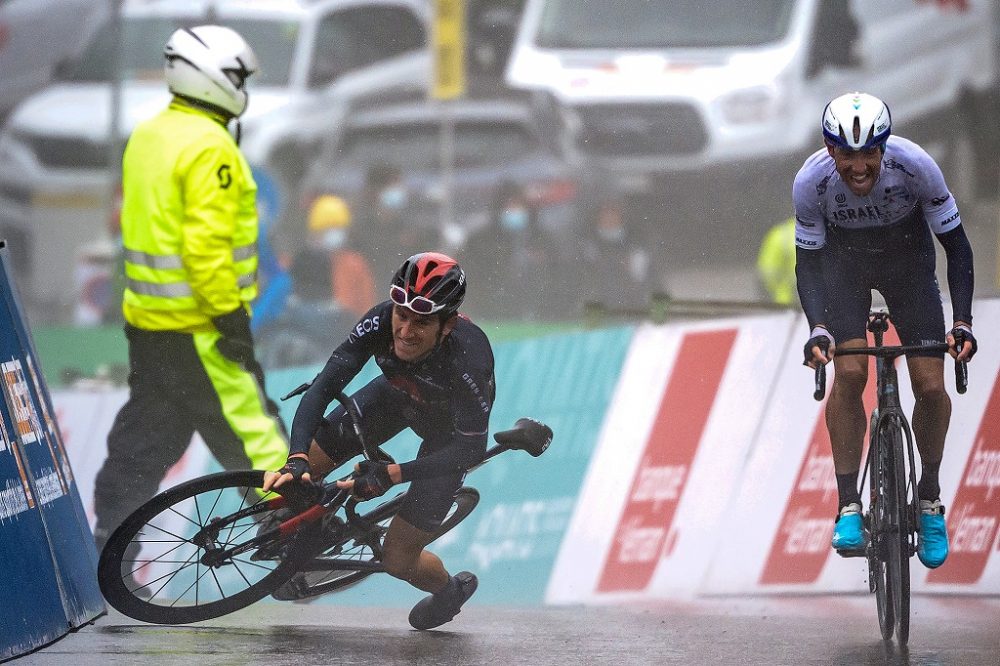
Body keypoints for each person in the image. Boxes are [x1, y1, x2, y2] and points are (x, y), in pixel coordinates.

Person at [92, 26, 289, 554]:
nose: (243, 87)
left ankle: (111, 543)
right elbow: (206, 249)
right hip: (203, 326)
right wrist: (230, 321)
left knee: (146, 438)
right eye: (238, 77)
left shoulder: (149, 136)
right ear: (215, 78)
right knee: (258, 434)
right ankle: (293, 543)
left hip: (151, 325)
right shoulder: (210, 148)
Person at [796, 92, 977, 569]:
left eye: (868, 153)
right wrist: (818, 329)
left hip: (908, 267)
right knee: (851, 375)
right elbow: (809, 264)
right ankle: (849, 504)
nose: (858, 166)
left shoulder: (917, 167)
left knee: (932, 386)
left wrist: (962, 323)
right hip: (844, 271)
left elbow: (956, 248)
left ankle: (930, 500)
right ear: (829, 148)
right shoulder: (810, 183)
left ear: (884, 146)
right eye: (846, 154)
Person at [263, 252, 491, 630]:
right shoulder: (380, 320)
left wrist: (393, 473)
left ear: (447, 325)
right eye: (402, 315)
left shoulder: (470, 359)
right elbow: (321, 388)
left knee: (397, 559)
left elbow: (470, 450)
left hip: (446, 435)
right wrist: (296, 460)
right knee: (302, 473)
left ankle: (450, 591)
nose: (404, 331)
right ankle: (316, 524)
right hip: (395, 398)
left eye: (421, 322)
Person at [756, 216, 797, 306]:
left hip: (784, 305)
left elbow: (766, 275)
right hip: (788, 305)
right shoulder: (782, 235)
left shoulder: (782, 234)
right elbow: (767, 273)